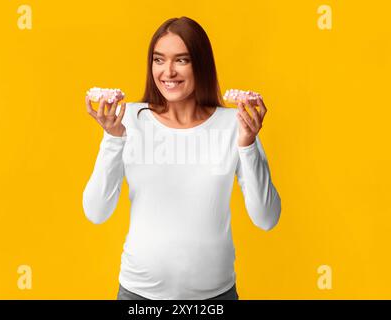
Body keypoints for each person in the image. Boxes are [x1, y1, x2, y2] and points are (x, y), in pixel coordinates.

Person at [83, 16, 281, 300]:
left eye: (182, 60)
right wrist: (114, 139)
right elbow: (96, 212)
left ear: (201, 64)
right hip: (138, 296)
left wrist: (248, 145)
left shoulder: (234, 125)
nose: (168, 72)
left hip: (216, 298)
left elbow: (266, 218)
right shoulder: (128, 120)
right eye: (159, 59)